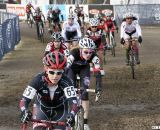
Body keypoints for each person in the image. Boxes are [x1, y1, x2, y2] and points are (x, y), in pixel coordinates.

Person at [19, 52, 78, 130]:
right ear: (46, 69)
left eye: (59, 73)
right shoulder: (38, 80)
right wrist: (24, 111)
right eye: (52, 72)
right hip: (41, 108)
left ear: (63, 71)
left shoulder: (67, 81)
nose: (55, 76)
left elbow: (73, 101)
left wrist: (72, 114)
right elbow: (24, 100)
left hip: (61, 110)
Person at [66, 38, 102, 130]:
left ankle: (85, 123)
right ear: (80, 50)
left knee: (85, 92)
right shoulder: (74, 53)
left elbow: (98, 73)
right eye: (86, 52)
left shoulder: (94, 57)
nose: (88, 55)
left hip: (84, 69)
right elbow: (66, 69)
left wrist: (98, 88)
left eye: (90, 52)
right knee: (70, 91)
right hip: (71, 69)